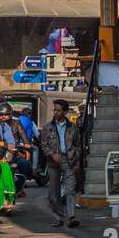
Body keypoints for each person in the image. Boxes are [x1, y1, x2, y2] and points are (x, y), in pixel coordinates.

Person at [41, 98, 82, 229]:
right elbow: (44, 145)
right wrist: (52, 155)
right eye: (55, 110)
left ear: (65, 112)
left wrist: (76, 160)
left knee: (70, 190)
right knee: (54, 192)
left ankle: (71, 217)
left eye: (59, 110)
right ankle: (59, 217)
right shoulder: (48, 127)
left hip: (69, 160)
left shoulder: (73, 128)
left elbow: (78, 146)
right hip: (53, 162)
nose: (56, 112)